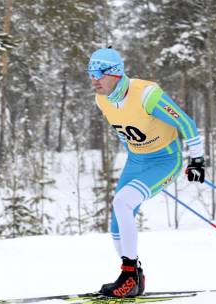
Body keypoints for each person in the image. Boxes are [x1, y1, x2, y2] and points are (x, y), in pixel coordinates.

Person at [88, 47, 205, 298]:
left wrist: (197, 159)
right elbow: (126, 130)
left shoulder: (146, 95)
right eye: (90, 72)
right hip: (137, 161)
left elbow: (185, 122)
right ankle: (133, 276)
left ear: (116, 73)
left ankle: (129, 275)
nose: (93, 78)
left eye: (98, 72)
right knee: (117, 222)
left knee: (122, 201)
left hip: (165, 161)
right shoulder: (102, 99)